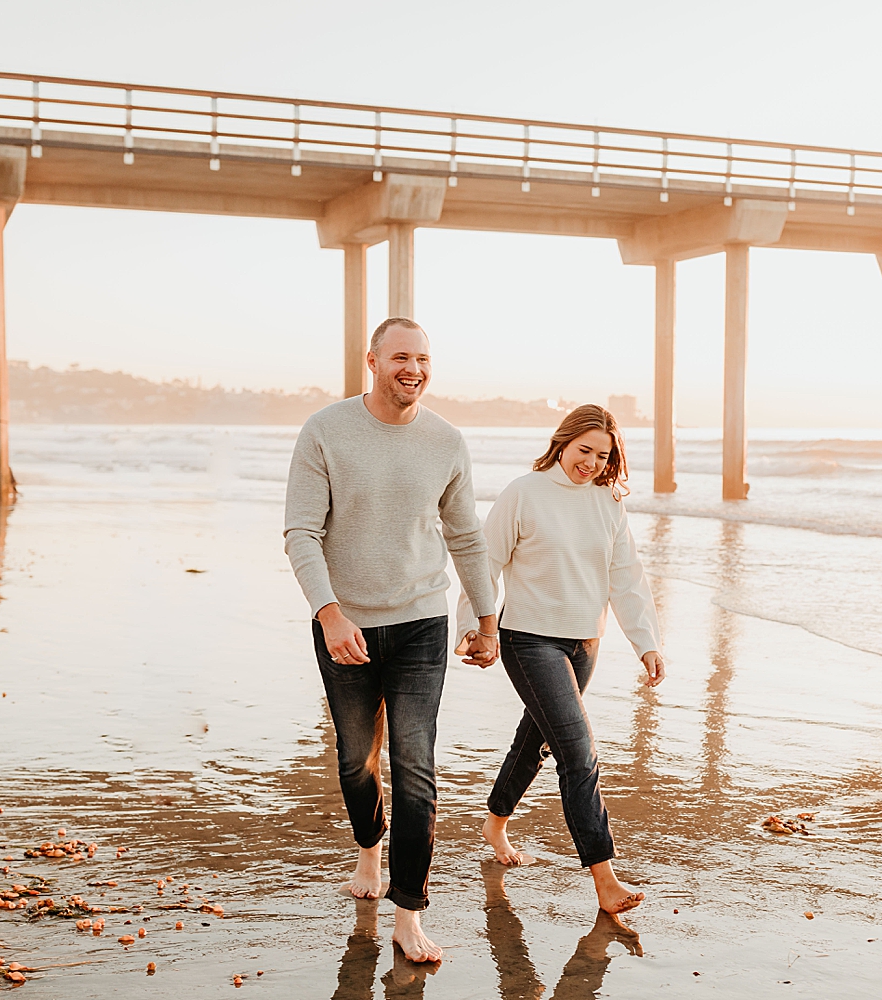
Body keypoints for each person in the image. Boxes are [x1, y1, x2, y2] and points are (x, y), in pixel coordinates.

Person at [284, 316, 500, 963]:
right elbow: (301, 531)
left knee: (415, 768)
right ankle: (368, 849)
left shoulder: (447, 441)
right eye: (401, 356)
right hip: (343, 625)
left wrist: (486, 619)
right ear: (372, 361)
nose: (415, 369)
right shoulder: (325, 431)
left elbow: (465, 536)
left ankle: (409, 916)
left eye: (424, 358)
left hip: (420, 624)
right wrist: (329, 613)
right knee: (356, 761)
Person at [456, 403, 666, 914]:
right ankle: (605, 878)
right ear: (563, 443)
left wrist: (647, 642)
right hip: (529, 640)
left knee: (537, 741)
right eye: (584, 451)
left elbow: (627, 576)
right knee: (579, 755)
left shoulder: (608, 501)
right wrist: (476, 627)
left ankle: (495, 822)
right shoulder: (524, 493)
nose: (591, 463)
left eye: (603, 455)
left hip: (584, 644)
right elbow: (486, 563)